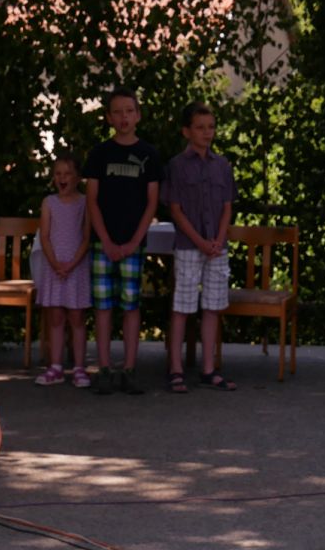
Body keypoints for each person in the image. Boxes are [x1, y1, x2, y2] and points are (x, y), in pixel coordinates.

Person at [83, 87, 162, 396]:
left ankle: (129, 369)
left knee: (131, 306)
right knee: (103, 307)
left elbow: (152, 203)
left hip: (134, 244)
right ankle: (104, 369)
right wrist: (106, 240)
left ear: (138, 115)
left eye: (129, 111)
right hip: (102, 243)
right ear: (108, 117)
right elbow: (92, 200)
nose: (124, 117)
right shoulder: (99, 154)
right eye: (117, 112)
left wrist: (133, 242)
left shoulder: (149, 155)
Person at [162, 102, 237, 392]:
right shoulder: (177, 166)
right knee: (182, 306)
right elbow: (176, 209)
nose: (207, 133)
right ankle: (176, 368)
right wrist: (200, 241)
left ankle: (208, 368)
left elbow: (227, 207)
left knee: (212, 307)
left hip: (217, 247)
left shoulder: (222, 165)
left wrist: (217, 239)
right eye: (200, 127)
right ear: (187, 131)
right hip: (189, 246)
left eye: (211, 127)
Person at [32, 151, 92, 388]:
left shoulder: (85, 202)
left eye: (67, 173)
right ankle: (55, 367)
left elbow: (86, 237)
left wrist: (72, 263)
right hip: (54, 267)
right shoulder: (49, 203)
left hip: (77, 268)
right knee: (55, 317)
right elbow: (45, 236)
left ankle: (79, 367)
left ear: (77, 177)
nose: (62, 178)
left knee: (77, 317)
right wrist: (56, 264)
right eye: (58, 173)